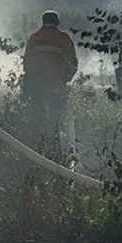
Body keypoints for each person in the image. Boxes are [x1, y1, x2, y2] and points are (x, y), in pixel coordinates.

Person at [21, 10, 78, 147]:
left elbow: (26, 62)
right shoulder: (64, 38)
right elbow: (73, 62)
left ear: (43, 22)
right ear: (57, 22)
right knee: (56, 115)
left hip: (36, 83)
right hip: (56, 83)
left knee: (37, 113)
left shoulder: (34, 37)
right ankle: (54, 142)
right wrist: (66, 78)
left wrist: (31, 78)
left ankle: (35, 142)